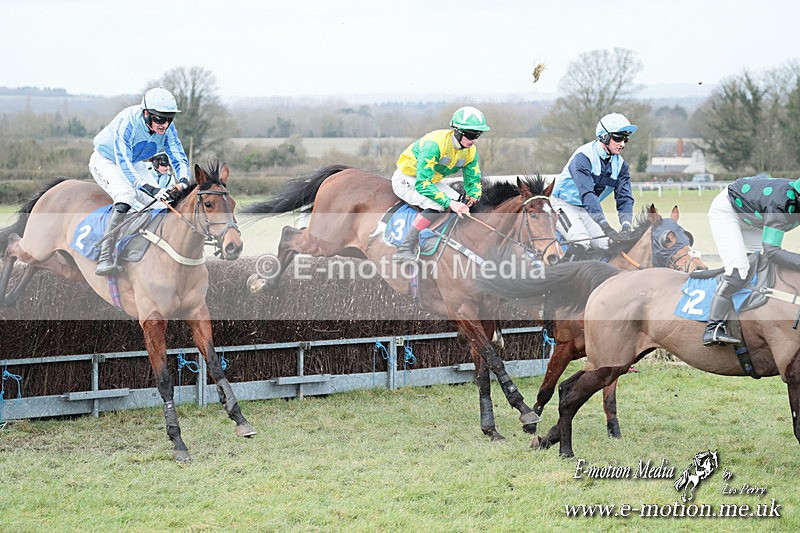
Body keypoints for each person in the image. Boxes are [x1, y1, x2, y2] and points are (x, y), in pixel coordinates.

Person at [89, 87, 191, 276]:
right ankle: (104, 257)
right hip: (107, 160)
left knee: (162, 204)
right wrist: (149, 188)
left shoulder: (168, 129)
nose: (165, 125)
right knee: (126, 196)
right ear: (146, 114)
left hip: (135, 162)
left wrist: (183, 182)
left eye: (169, 119)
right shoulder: (127, 122)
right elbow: (123, 163)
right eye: (159, 119)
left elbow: (178, 157)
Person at [703, 175, 800, 345]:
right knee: (739, 270)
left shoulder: (793, 201)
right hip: (728, 211)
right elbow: (772, 251)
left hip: (755, 217)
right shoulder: (781, 204)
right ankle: (713, 328)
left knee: (762, 266)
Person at [391, 106, 489, 262]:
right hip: (407, 178)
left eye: (478, 135)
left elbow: (473, 181)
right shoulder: (433, 145)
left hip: (432, 181)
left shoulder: (470, 151)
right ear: (457, 132)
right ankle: (405, 249)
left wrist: (473, 196)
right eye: (471, 135)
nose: (474, 140)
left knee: (459, 201)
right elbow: (423, 184)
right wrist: (449, 203)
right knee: (438, 204)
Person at [551, 113, 638, 261]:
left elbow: (625, 197)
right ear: (604, 137)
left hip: (586, 210)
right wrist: (605, 225)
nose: (622, 144)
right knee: (581, 240)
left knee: (608, 245)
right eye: (618, 138)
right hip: (563, 205)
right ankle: (559, 273)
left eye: (625, 139)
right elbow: (587, 194)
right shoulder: (582, 158)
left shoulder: (621, 166)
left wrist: (626, 225)